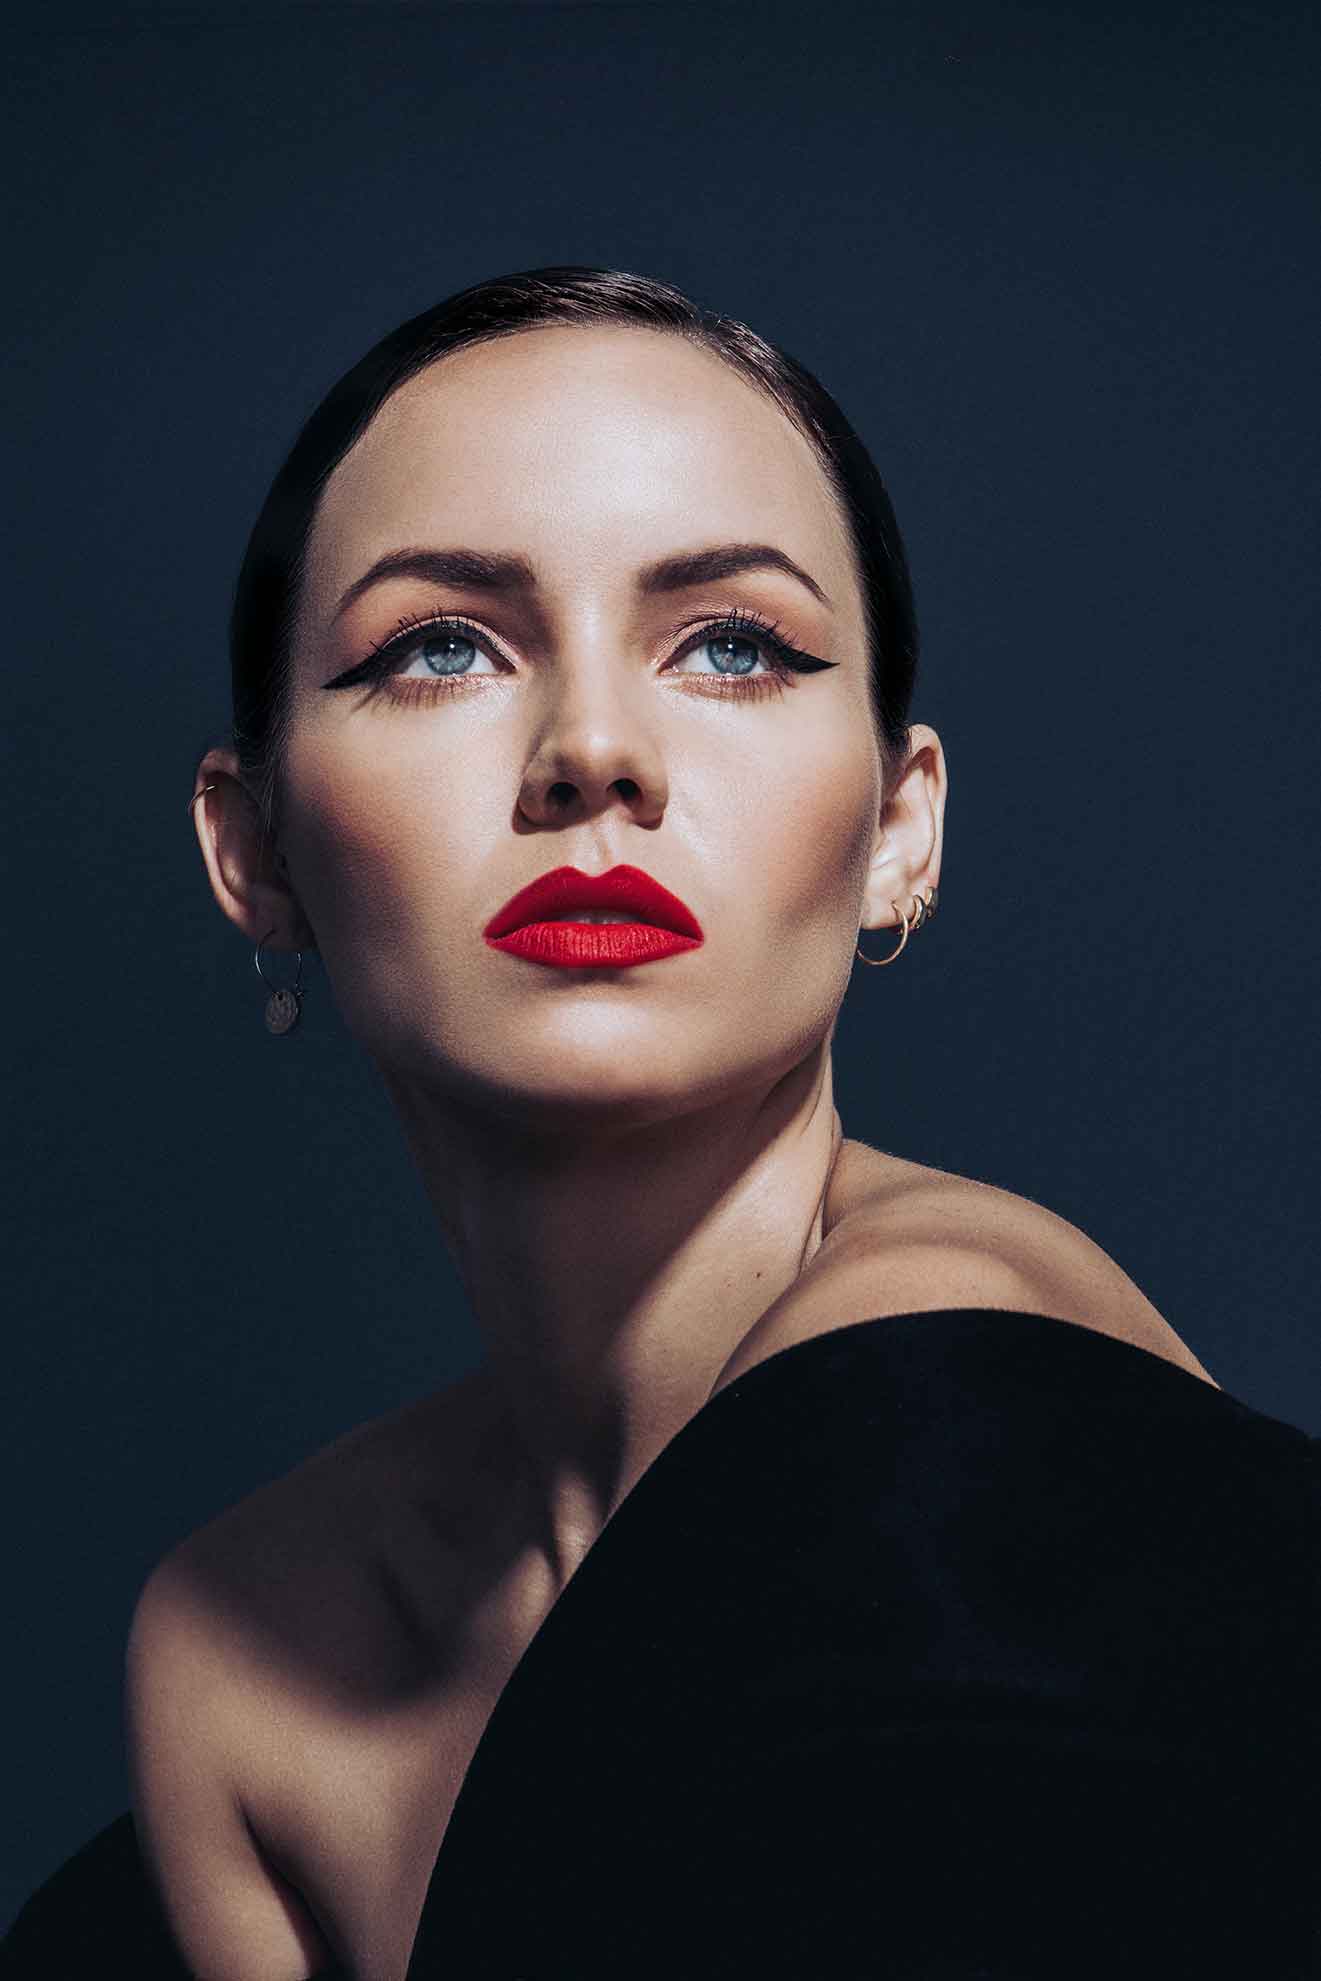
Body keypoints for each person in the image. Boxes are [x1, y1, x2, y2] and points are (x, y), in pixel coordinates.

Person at [6, 265, 1319, 1981]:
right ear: (256, 851)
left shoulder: (943, 1404)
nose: (592, 751)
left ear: (898, 832)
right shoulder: (244, 1643)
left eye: (730, 645)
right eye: (441, 647)